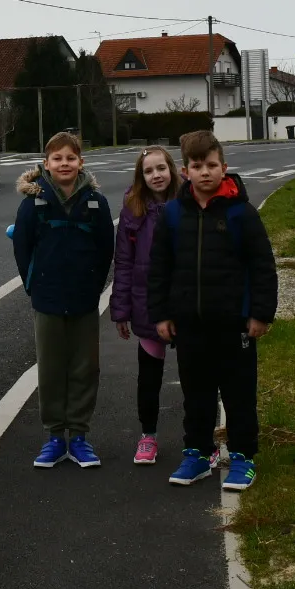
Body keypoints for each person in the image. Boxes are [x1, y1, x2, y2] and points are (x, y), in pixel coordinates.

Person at [148, 130, 278, 491]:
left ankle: (242, 456)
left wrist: (260, 313)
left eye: (210, 165)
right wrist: (161, 313)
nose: (204, 172)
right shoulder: (173, 215)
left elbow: (262, 266)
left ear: (224, 167)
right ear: (185, 171)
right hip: (190, 325)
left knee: (239, 394)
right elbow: (159, 267)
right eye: (196, 166)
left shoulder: (241, 214)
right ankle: (198, 453)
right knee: (196, 394)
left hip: (234, 325)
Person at [12, 131, 115, 468]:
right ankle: (55, 436)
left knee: (85, 367)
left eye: (70, 158)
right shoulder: (33, 203)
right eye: (57, 159)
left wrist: (94, 285)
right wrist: (33, 285)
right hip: (48, 299)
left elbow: (105, 248)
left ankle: (80, 435)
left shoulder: (96, 203)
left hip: (84, 299)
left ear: (81, 162)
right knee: (51, 367)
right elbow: (22, 248)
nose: (64, 164)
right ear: (46, 164)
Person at [111, 145, 183, 465]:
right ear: (141, 177)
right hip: (147, 305)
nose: (156, 175)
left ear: (172, 169)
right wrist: (121, 310)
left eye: (161, 168)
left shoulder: (188, 203)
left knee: (196, 377)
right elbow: (124, 263)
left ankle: (198, 439)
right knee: (149, 377)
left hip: (185, 303)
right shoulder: (133, 210)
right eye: (149, 171)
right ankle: (148, 436)